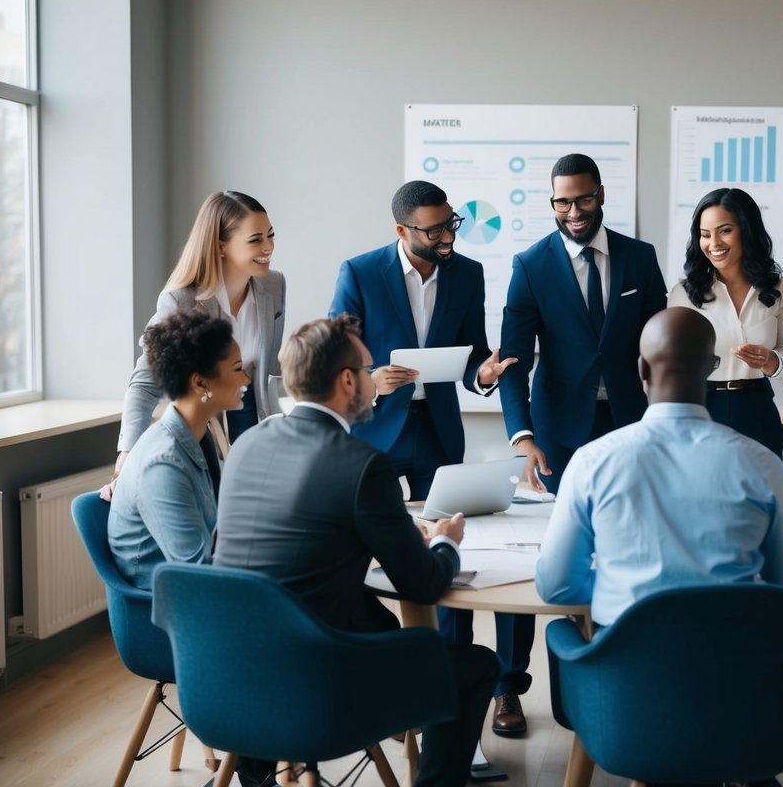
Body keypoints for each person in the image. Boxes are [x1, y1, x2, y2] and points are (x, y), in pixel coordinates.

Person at [214, 315, 499, 787]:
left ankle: (258, 773)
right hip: (319, 680)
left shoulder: (249, 442)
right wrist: (447, 540)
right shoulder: (363, 465)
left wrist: (393, 528)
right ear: (347, 381)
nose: (373, 380)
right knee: (477, 665)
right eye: (369, 371)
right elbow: (423, 584)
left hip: (230, 668)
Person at [485, 153, 667, 734]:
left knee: (632, 549)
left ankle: (623, 673)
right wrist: (523, 435)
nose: (572, 212)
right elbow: (512, 361)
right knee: (535, 553)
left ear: (601, 194)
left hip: (631, 427)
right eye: (561, 202)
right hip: (559, 433)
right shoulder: (532, 264)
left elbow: (659, 345)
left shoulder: (640, 257)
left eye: (582, 200)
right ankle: (508, 687)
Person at [536, 307, 783, 626]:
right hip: (733, 665)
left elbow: (557, 587)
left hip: (625, 668)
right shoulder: (762, 464)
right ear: (712, 368)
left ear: (642, 370)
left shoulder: (591, 462)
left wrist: (618, 588)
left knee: (562, 632)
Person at [328, 180, 514, 501]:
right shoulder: (360, 273)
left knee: (444, 527)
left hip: (438, 431)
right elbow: (334, 354)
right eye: (435, 231)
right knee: (372, 531)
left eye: (451, 223)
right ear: (402, 231)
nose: (449, 237)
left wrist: (481, 375)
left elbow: (473, 351)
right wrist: (370, 382)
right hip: (374, 427)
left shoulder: (468, 274)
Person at [108, 191, 285, 496]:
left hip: (257, 426)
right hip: (207, 430)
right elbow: (146, 383)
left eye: (270, 235)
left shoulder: (274, 285)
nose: (268, 247)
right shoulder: (181, 300)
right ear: (221, 246)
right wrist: (127, 454)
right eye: (255, 239)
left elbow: (270, 369)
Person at [108, 310, 248, 590]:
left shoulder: (199, 434)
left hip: (208, 586)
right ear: (200, 383)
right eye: (237, 369)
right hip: (172, 606)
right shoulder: (163, 464)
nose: (246, 379)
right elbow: (196, 574)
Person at [668, 187, 783, 457]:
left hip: (757, 406)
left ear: (746, 230)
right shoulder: (683, 293)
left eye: (725, 230)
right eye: (705, 235)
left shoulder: (781, 287)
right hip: (702, 407)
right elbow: (670, 365)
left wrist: (770, 361)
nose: (713, 243)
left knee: (760, 494)